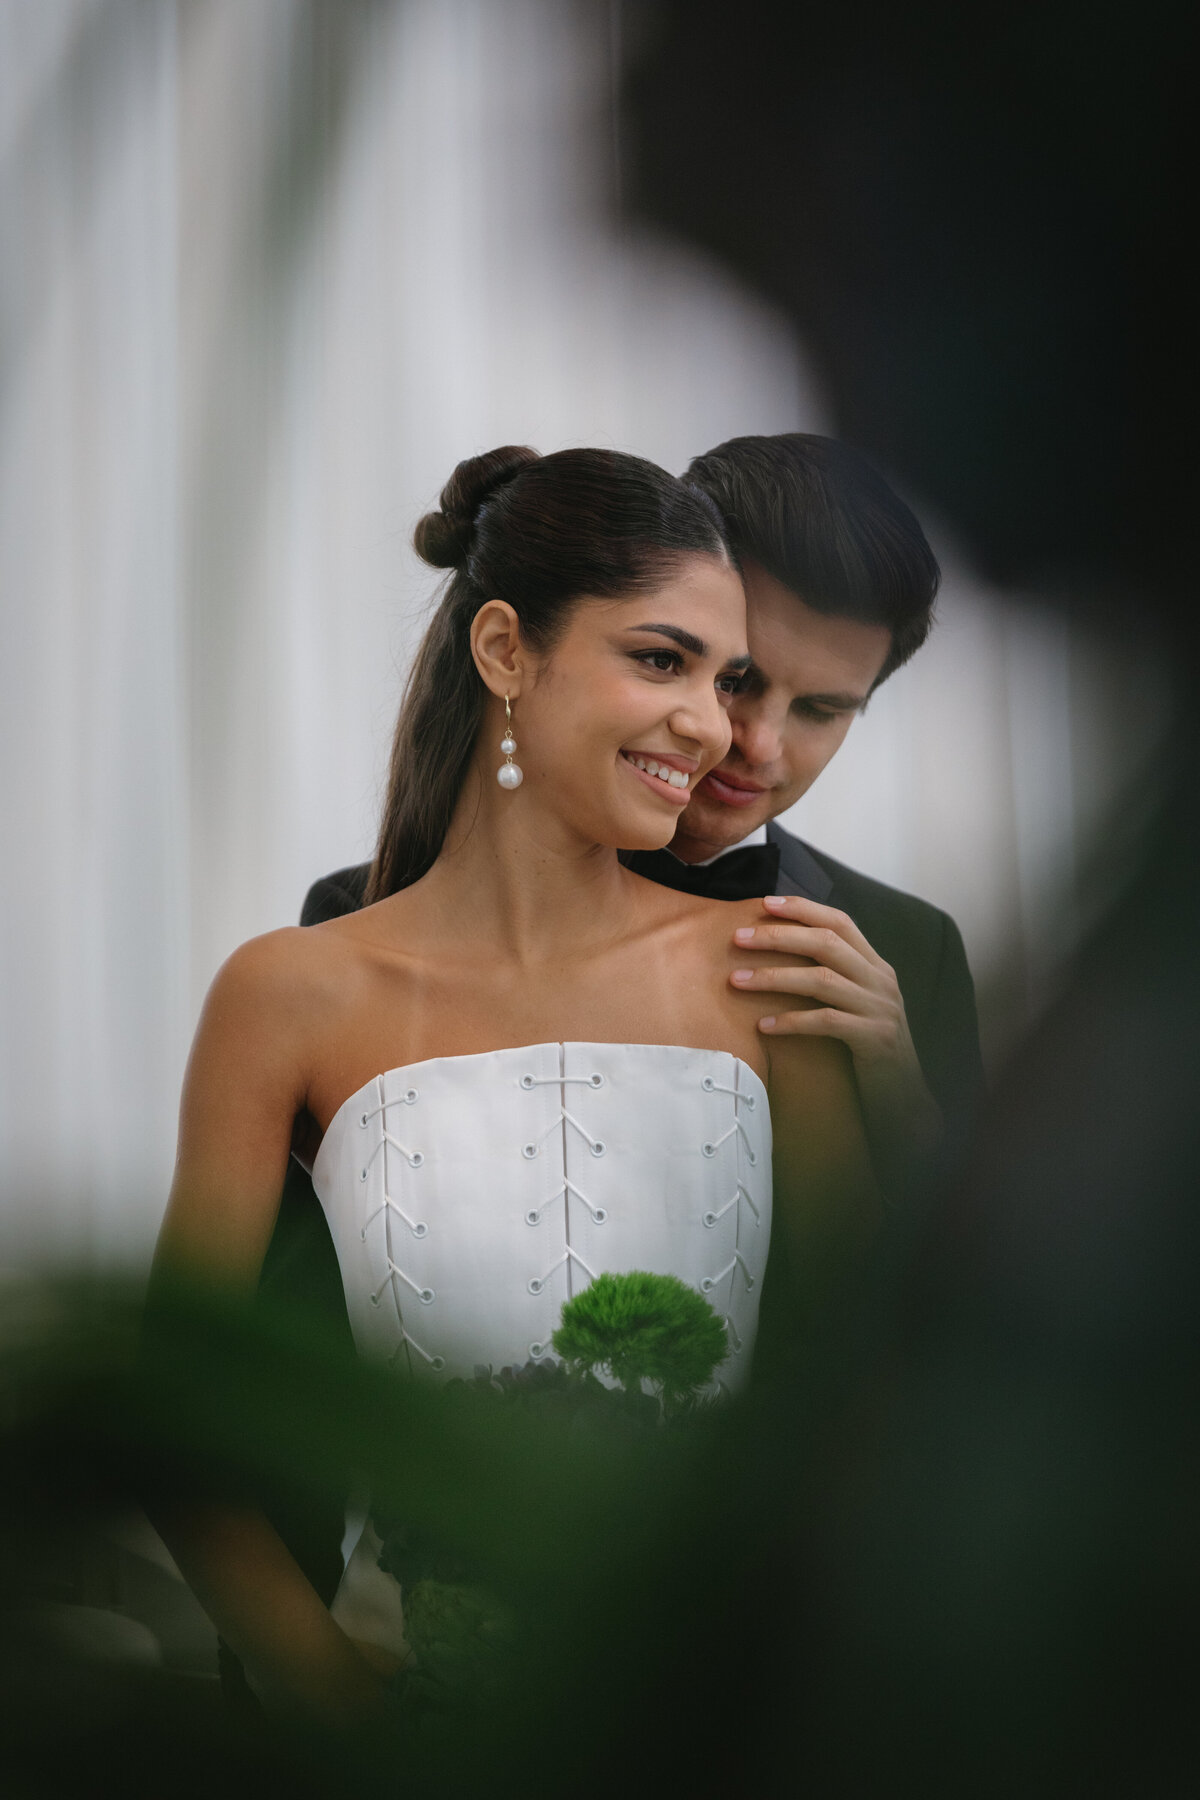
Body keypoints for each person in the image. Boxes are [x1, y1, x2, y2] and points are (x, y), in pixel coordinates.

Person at [151, 444, 876, 1722]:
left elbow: (880, 1390)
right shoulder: (286, 994)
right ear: (504, 651)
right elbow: (170, 1416)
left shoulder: (770, 968)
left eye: (724, 680)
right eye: (661, 660)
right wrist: (336, 1706)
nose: (712, 727)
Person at [304, 433, 983, 1182]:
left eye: (821, 710)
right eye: (734, 680)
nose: (754, 742)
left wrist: (906, 1110)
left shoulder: (912, 952)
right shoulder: (350, 928)